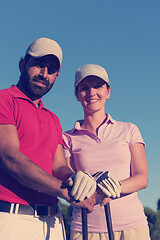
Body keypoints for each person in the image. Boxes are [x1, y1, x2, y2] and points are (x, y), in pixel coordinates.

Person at [0, 39, 97, 240]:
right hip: (11, 219)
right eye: (38, 64)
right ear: (22, 65)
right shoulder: (4, 100)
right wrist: (66, 191)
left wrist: (74, 179)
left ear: (56, 76)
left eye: (51, 70)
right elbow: (10, 157)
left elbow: (58, 166)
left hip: (52, 223)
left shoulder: (53, 118)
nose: (44, 74)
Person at [63, 64, 151, 240]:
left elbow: (142, 178)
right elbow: (67, 182)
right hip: (85, 229)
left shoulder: (129, 129)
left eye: (98, 86)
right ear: (76, 95)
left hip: (132, 228)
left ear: (108, 92)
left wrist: (114, 187)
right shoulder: (66, 138)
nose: (91, 92)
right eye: (84, 88)